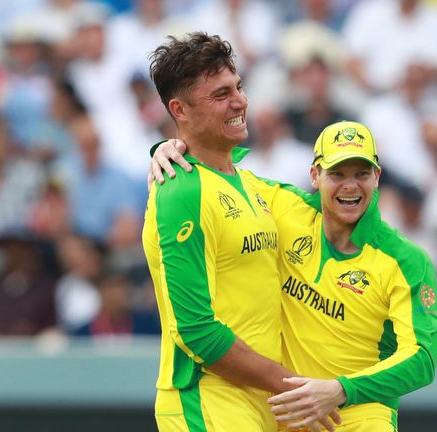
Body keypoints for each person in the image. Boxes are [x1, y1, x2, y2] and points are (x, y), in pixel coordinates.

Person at [151, 120, 437, 431]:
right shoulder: (284, 207)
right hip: (287, 417)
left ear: (377, 177)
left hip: (360, 416)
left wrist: (340, 390)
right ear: (315, 176)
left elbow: (422, 359)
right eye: (337, 174)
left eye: (362, 174)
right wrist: (168, 150)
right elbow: (213, 175)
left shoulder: (407, 260)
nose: (350, 186)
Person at [141, 32, 337, 432]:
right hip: (208, 399)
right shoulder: (181, 192)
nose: (241, 102)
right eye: (220, 95)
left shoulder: (250, 185)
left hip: (264, 401)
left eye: (239, 87)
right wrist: (292, 386)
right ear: (180, 109)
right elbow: (196, 332)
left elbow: (340, 213)